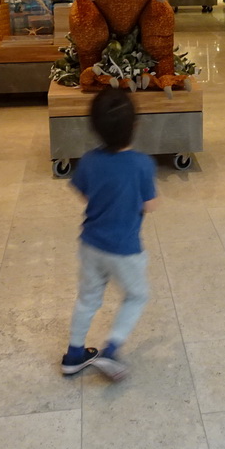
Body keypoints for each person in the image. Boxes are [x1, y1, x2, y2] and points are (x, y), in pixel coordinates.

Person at [62, 88, 158, 382]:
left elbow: (82, 192)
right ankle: (111, 349)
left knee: (88, 298)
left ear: (94, 128)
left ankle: (74, 355)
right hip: (124, 249)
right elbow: (150, 204)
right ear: (135, 126)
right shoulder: (142, 164)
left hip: (91, 244)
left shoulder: (89, 160)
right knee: (137, 296)